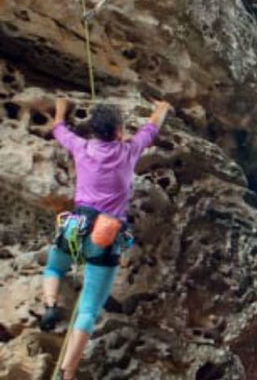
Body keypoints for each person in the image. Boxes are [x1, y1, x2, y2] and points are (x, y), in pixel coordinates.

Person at [39, 97, 171, 380]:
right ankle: (67, 372)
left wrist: (61, 107)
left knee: (54, 267)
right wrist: (162, 108)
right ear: (118, 132)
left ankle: (49, 305)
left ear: (94, 131)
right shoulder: (128, 151)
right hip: (106, 233)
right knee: (88, 309)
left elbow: (59, 129)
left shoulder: (82, 147)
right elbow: (151, 128)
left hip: (78, 223)